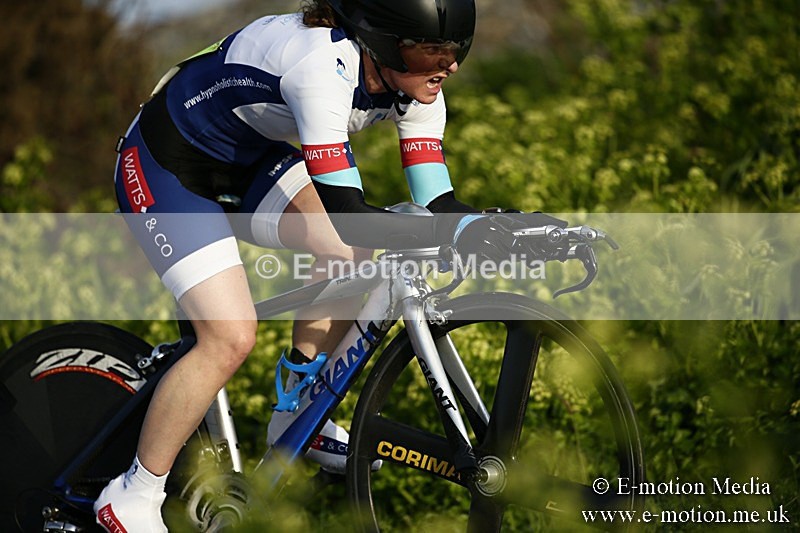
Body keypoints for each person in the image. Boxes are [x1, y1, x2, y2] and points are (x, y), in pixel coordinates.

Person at [93, 1, 527, 531]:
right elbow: (346, 213)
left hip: (247, 158)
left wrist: (513, 227)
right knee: (229, 337)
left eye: (456, 49)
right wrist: (454, 231)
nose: (449, 65)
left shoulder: (416, 85)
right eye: (432, 49)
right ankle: (132, 494)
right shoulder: (323, 66)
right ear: (384, 41)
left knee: (357, 258)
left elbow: (438, 205)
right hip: (167, 164)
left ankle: (295, 413)